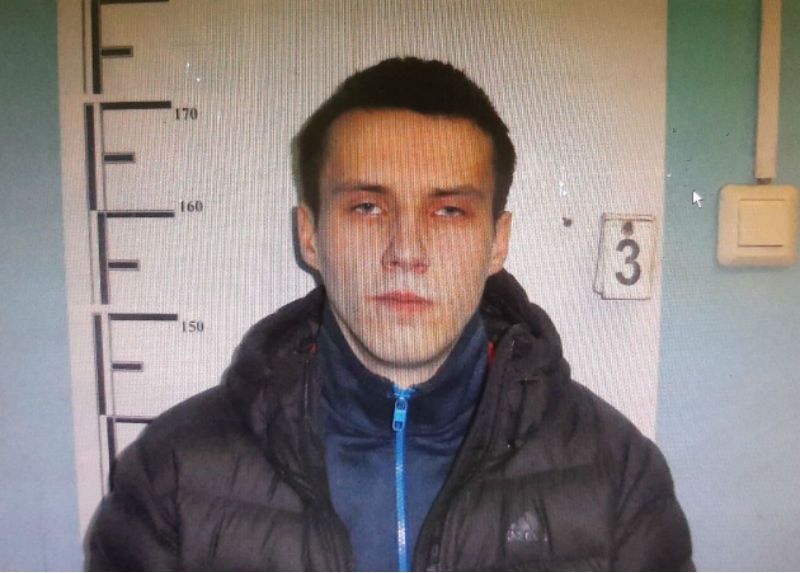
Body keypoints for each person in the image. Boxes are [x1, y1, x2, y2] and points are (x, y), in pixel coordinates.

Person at [87, 57, 693, 571]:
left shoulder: (617, 475)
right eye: (368, 208)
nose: (406, 252)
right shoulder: (172, 475)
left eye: (449, 211)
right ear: (311, 237)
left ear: (497, 242)